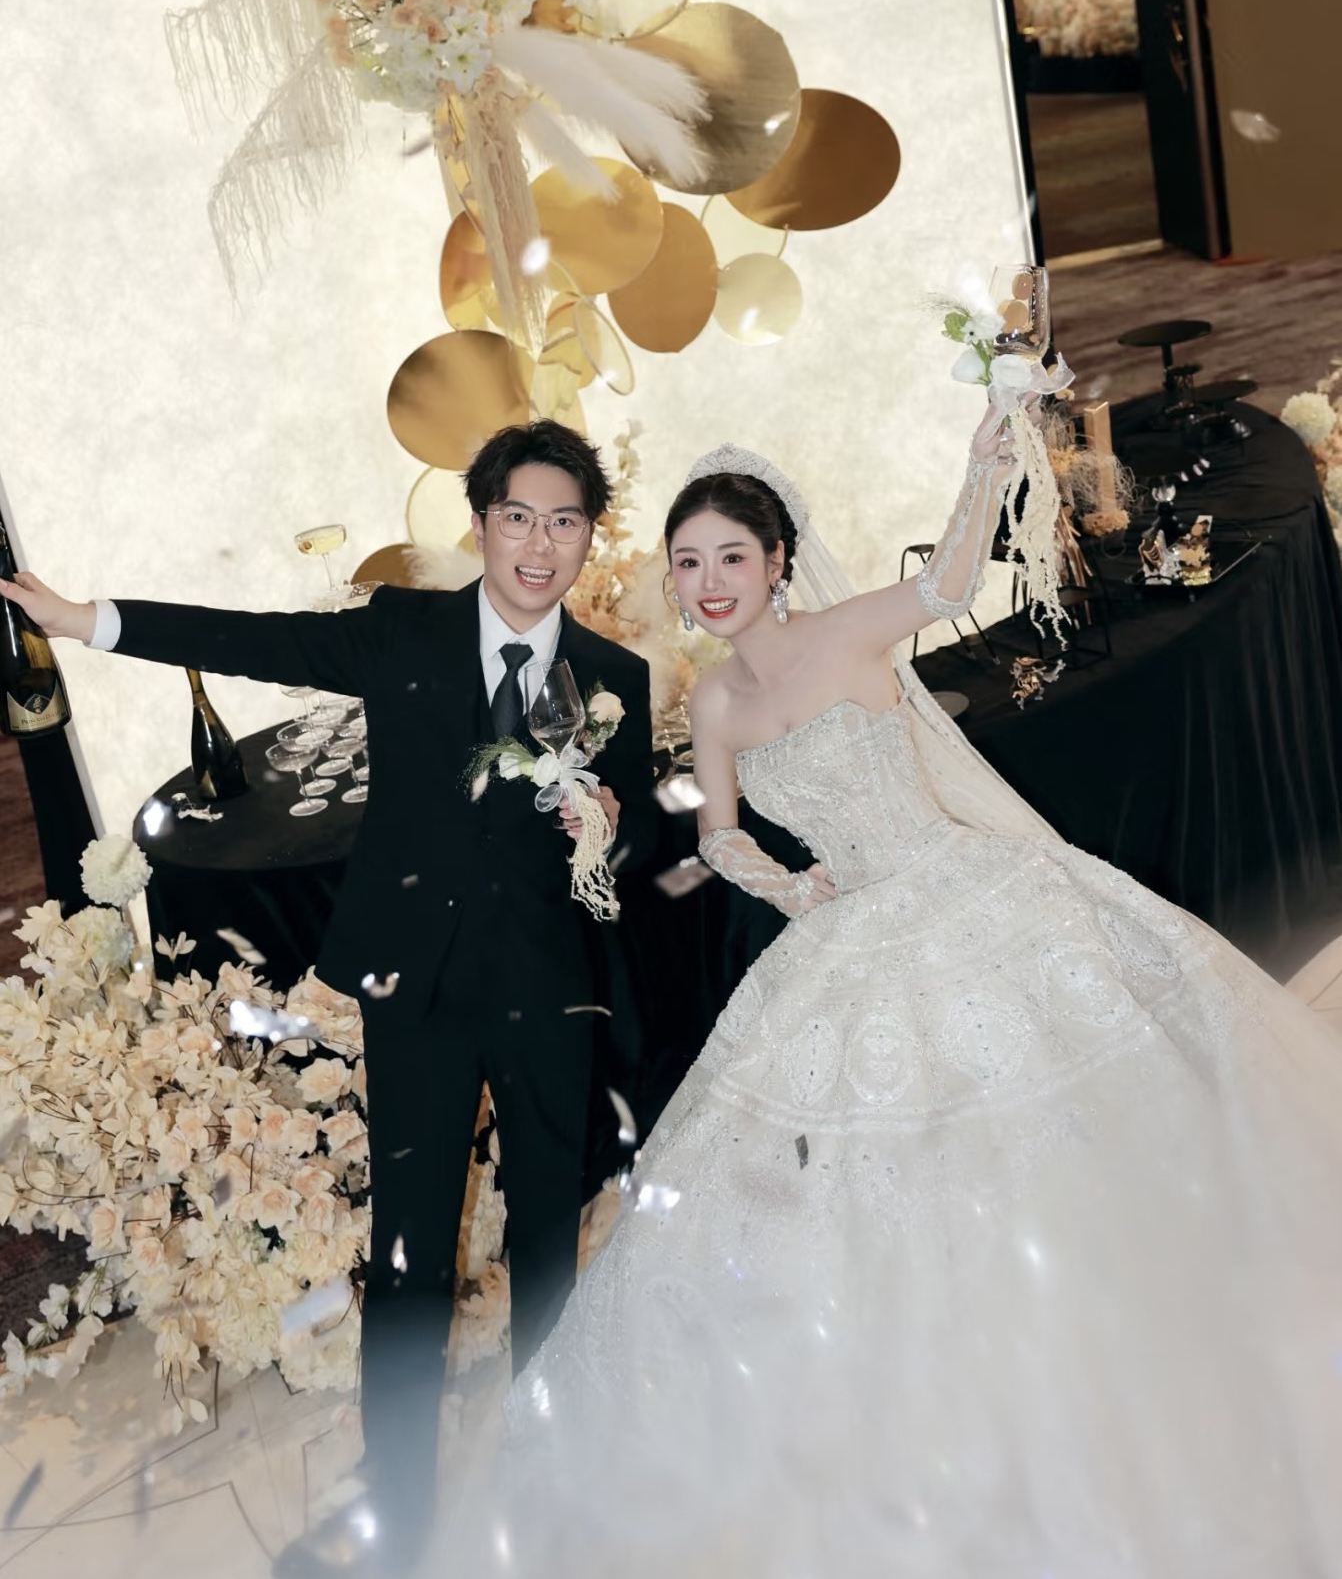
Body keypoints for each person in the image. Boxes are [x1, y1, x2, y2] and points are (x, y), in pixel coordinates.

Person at [444, 399, 1342, 1578]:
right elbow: (715, 833)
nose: (710, 583)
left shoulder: (847, 629)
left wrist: (977, 473)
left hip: (960, 884)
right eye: (689, 562)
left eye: (731, 557)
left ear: (776, 561)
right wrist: (783, 881)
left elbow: (951, 581)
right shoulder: (714, 700)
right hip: (844, 925)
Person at [0, 420, 658, 1579]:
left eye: (564, 520)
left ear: (588, 535)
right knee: (408, 1258)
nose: (539, 542)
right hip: (417, 994)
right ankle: (396, 1513)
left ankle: (553, 1479)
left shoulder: (613, 677)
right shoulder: (406, 629)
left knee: (549, 1245)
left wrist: (606, 820)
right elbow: (251, 639)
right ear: (481, 524)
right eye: (518, 516)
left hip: (546, 993)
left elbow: (639, 831)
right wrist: (90, 619)